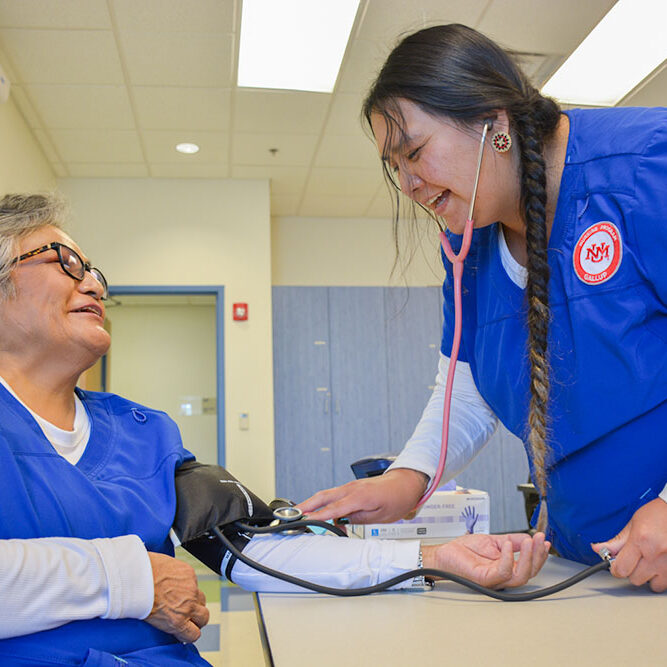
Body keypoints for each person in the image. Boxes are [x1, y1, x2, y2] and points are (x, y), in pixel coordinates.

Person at [0, 193, 550, 666]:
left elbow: (261, 548)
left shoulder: (144, 434)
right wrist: (131, 580)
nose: (93, 282)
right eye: (66, 261)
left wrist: (433, 560)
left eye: (94, 270)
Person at [298, 23, 667, 593]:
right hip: (592, 565)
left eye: (414, 153)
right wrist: (405, 480)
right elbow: (467, 387)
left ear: (493, 122)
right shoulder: (472, 245)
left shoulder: (645, 167)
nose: (408, 184)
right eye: (393, 167)